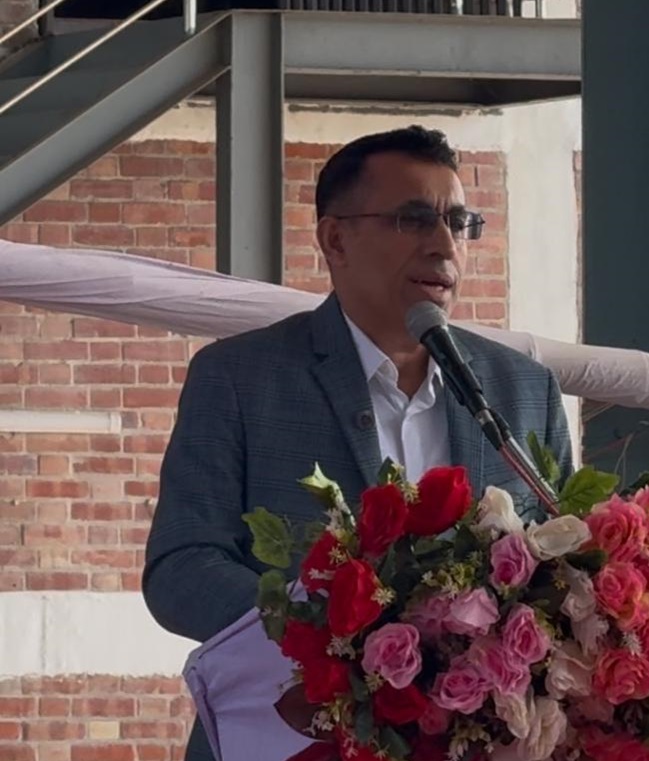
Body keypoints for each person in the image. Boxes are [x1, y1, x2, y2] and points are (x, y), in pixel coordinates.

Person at [143, 125, 574, 761]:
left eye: (458, 222)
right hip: (294, 736)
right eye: (413, 219)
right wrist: (328, 629)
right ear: (335, 239)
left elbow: (567, 566)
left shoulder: (522, 390)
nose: (444, 245)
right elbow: (181, 570)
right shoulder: (239, 378)